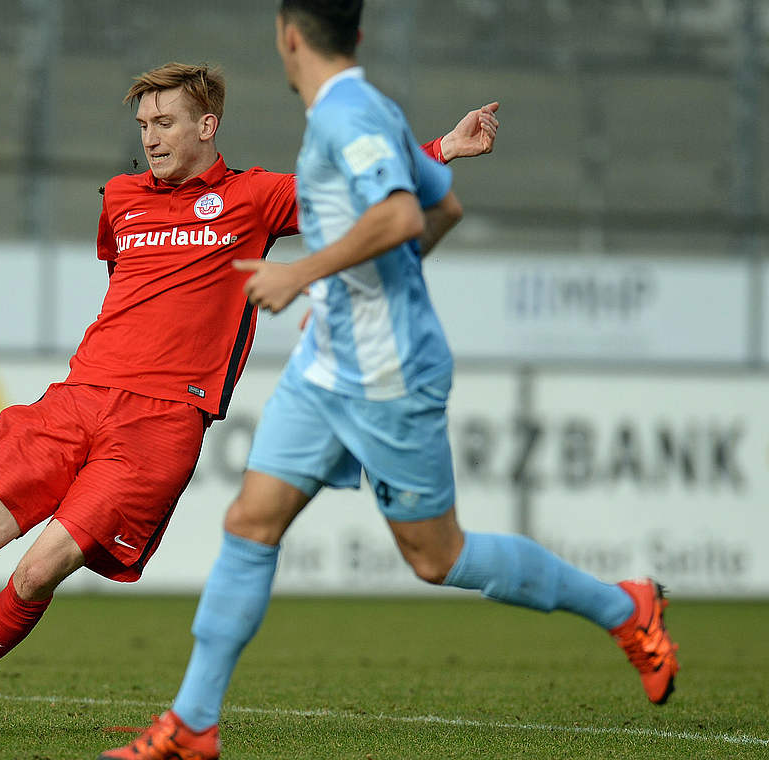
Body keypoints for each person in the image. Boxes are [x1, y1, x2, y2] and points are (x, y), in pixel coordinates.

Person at [0, 61, 499, 736]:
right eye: (142, 124)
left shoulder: (256, 198)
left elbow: (353, 190)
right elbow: (124, 287)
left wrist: (444, 149)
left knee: (39, 570)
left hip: (160, 426)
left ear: (207, 127)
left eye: (164, 122)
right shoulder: (119, 199)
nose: (150, 137)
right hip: (76, 399)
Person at [99, 5, 678, 759]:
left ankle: (623, 607)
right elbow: (444, 202)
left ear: (289, 36)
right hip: (326, 365)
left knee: (436, 558)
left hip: (387, 372)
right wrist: (346, 291)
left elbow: (404, 214)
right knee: (250, 523)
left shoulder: (348, 112)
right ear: (358, 36)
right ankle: (194, 725)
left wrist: (304, 274)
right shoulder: (355, 109)